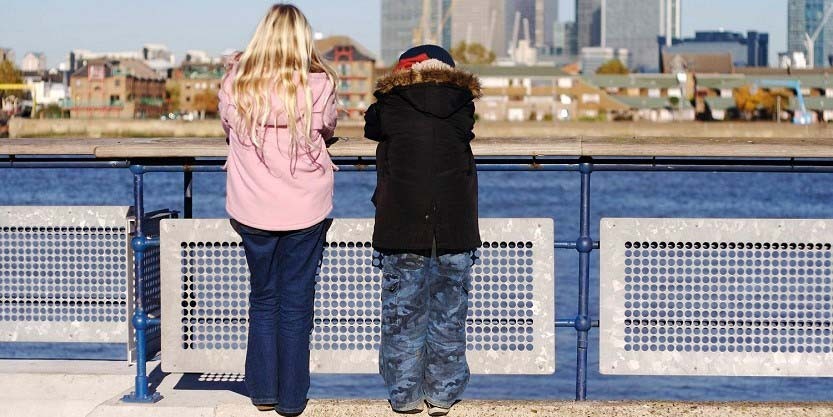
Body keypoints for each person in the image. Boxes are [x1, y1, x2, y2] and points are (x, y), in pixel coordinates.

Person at [217, 4, 338, 416]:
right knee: (296, 303)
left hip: (251, 206)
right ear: (302, 40)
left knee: (263, 297)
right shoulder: (318, 85)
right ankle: (291, 399)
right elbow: (328, 126)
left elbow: (228, 128)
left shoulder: (237, 83)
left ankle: (263, 392)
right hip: (305, 207)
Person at [364, 45, 482, 416]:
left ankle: (404, 398)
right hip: (456, 225)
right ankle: (443, 396)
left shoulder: (391, 103)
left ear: (403, 72)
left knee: (402, 315)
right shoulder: (462, 103)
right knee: (449, 314)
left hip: (401, 223)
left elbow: (372, 127)